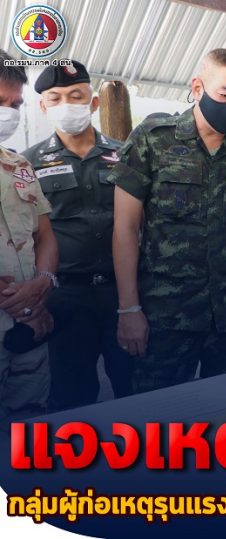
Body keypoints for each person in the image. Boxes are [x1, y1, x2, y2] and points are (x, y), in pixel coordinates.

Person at [111, 48, 226, 393]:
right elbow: (125, 228)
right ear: (198, 88)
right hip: (167, 317)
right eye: (225, 95)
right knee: (158, 413)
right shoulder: (152, 140)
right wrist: (128, 309)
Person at [23, 59, 132, 409]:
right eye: (55, 99)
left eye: (76, 96)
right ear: (43, 107)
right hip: (65, 297)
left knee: (135, 387)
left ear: (94, 102)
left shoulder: (126, 155)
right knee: (71, 398)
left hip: (123, 292)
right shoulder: (28, 164)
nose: (66, 105)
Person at [0, 50, 59, 420]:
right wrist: (23, 304)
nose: (8, 112)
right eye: (0, 101)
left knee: (28, 426)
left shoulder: (19, 165)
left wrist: (44, 281)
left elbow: (45, 235)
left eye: (15, 104)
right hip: (24, 312)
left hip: (29, 330)